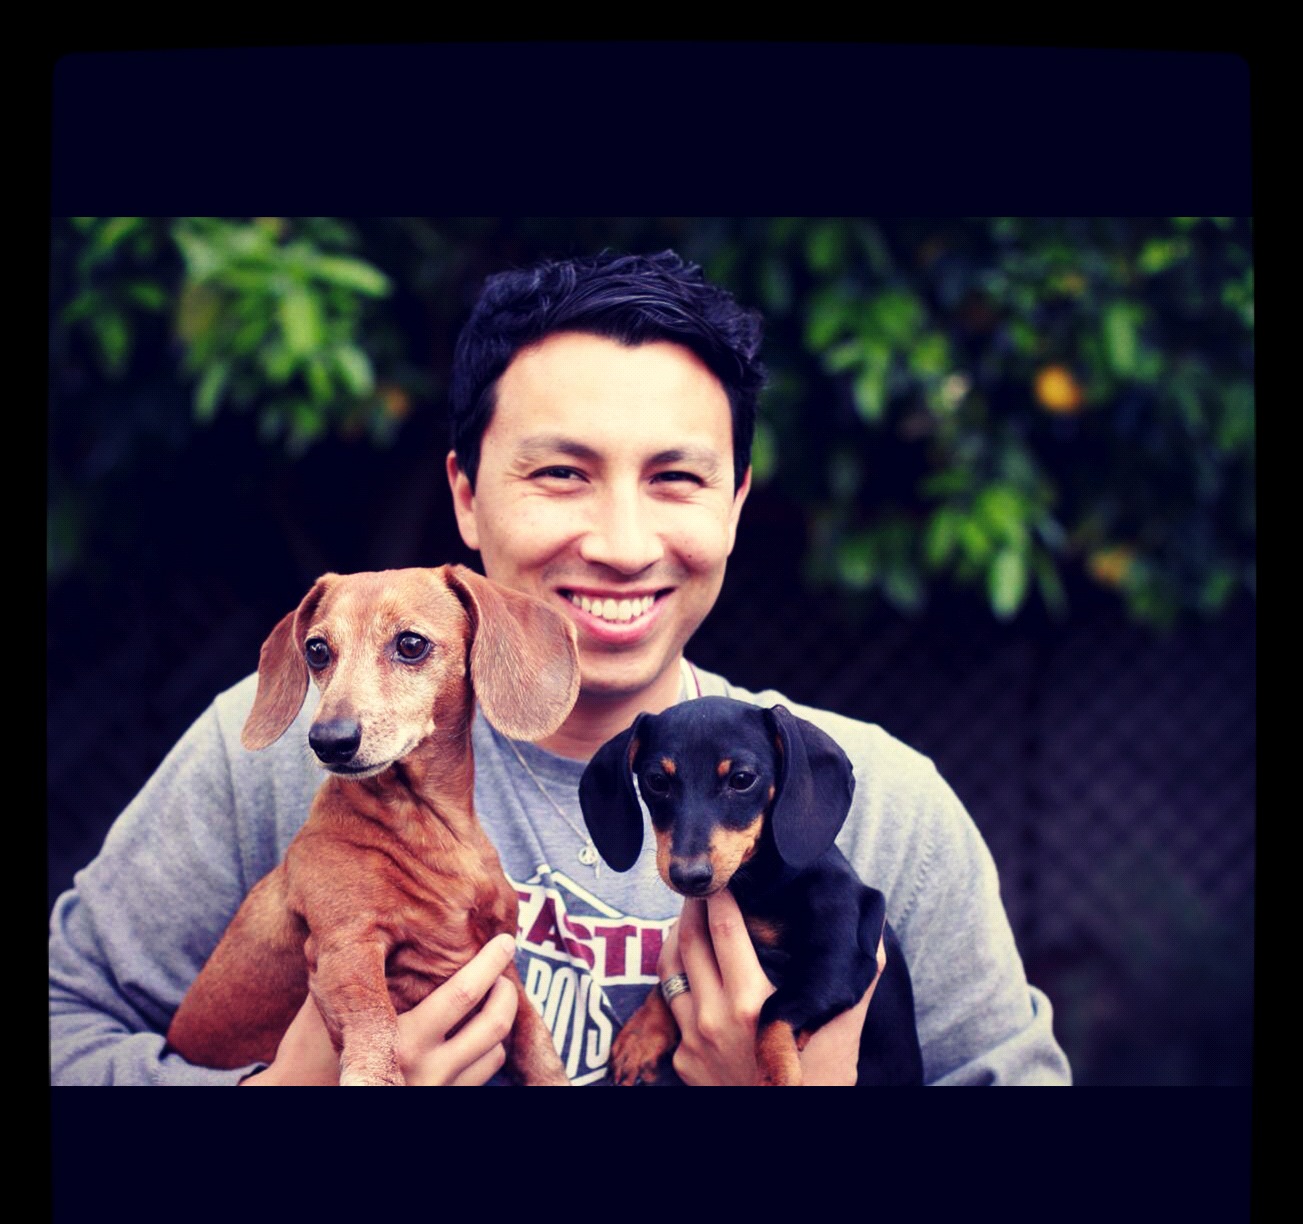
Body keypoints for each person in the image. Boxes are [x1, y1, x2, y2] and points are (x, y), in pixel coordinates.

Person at [49, 250, 1071, 1086]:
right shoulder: (301, 747)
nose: (621, 543)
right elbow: (66, 1028)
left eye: (676, 478)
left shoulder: (876, 801)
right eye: (560, 472)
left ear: (735, 503)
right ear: (466, 494)